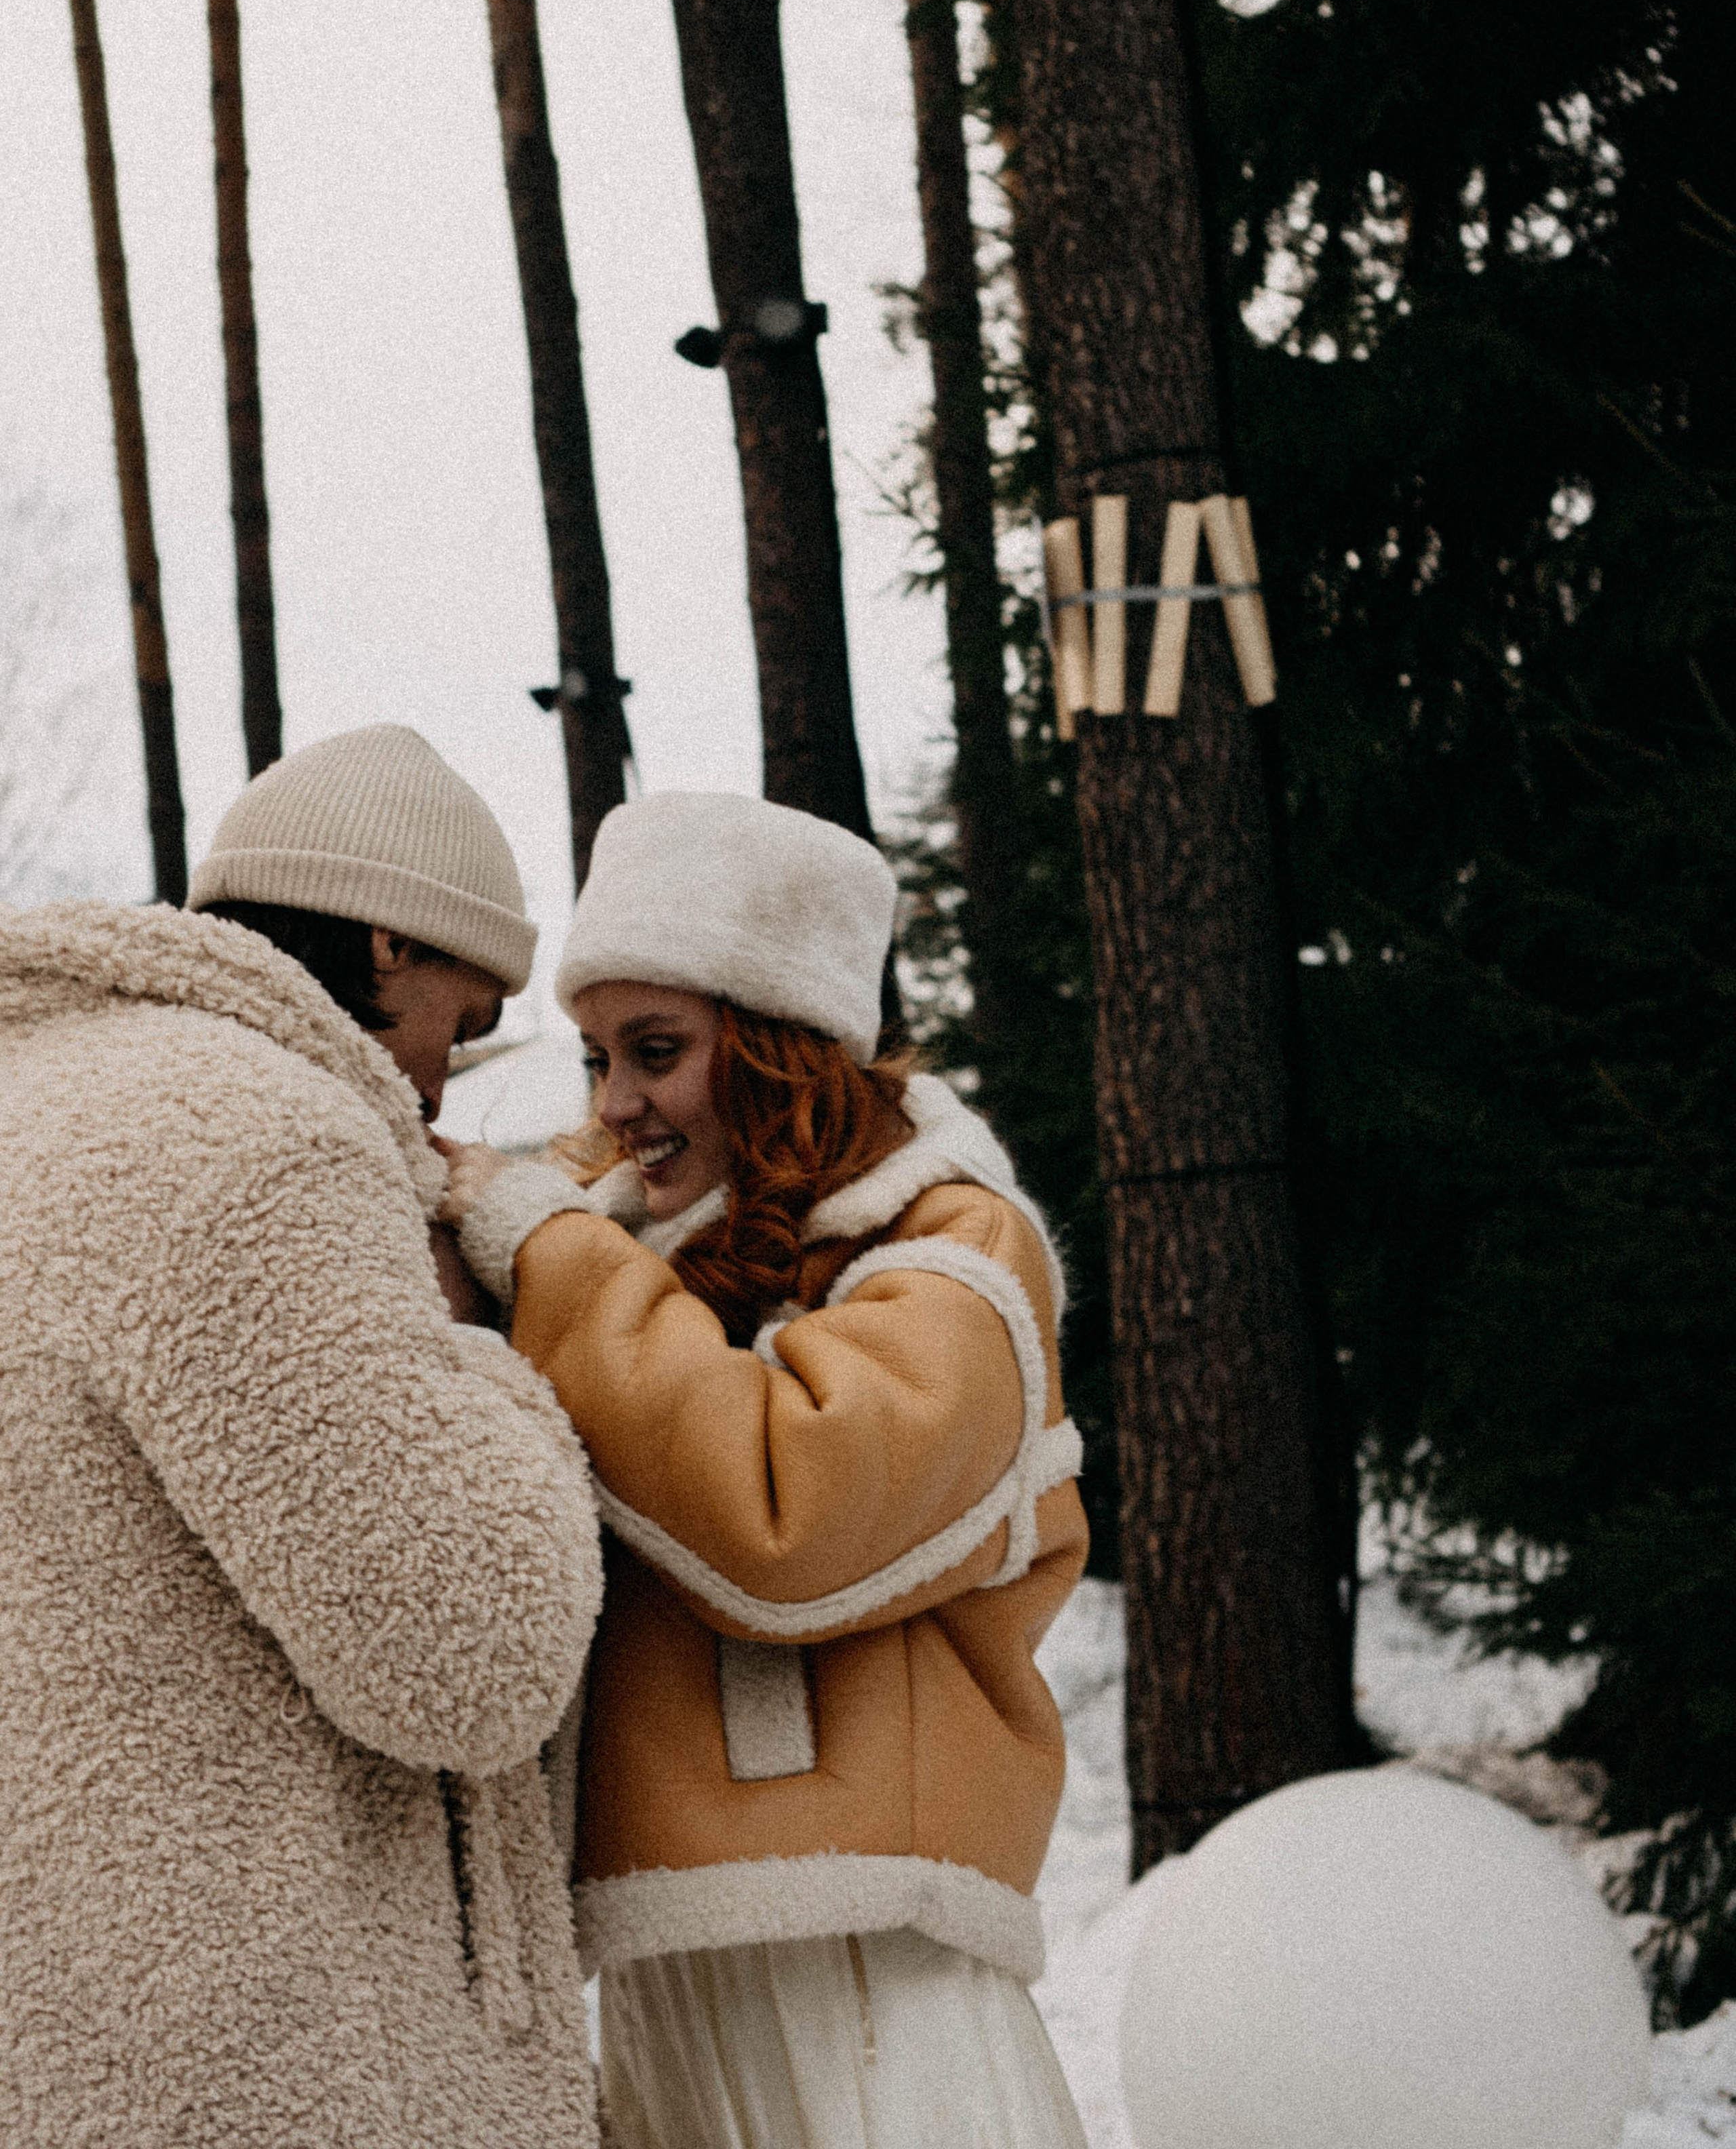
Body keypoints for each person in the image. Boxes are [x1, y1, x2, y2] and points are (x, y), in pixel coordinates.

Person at [441, 791, 1092, 2149]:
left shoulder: (957, 1259)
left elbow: (783, 1511)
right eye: (595, 1057)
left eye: (657, 1050)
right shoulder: (631, 1257)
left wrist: (553, 1254)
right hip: (667, 1953)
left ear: (777, 1046)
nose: (616, 1103)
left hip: (862, 1950)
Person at [0, 724, 604, 2149]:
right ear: (386, 943)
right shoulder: (261, 1138)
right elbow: (466, 1648)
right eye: (462, 1022)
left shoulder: (36, 1111)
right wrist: (494, 1372)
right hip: (282, 2057)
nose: (444, 1087)